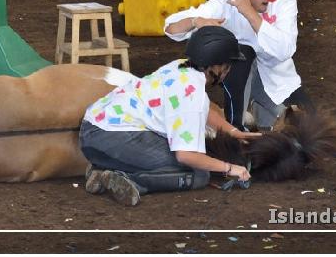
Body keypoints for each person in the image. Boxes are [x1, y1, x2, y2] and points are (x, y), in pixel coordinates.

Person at [79, 26, 262, 206]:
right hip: (112, 136)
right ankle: (129, 180)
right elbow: (185, 156)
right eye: (227, 66)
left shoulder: (181, 67)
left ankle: (101, 168)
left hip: (92, 131)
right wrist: (229, 168)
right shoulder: (192, 95)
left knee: (182, 156)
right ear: (215, 66)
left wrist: (233, 131)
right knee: (198, 175)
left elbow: (204, 111)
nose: (228, 71)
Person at [164, 0, 312, 132]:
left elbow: (284, 50)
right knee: (243, 52)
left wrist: (248, 11)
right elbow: (171, 27)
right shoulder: (226, 1)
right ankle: (236, 124)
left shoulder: (285, 2)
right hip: (240, 77)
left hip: (278, 80)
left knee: (312, 129)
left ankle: (262, 113)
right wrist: (197, 21)